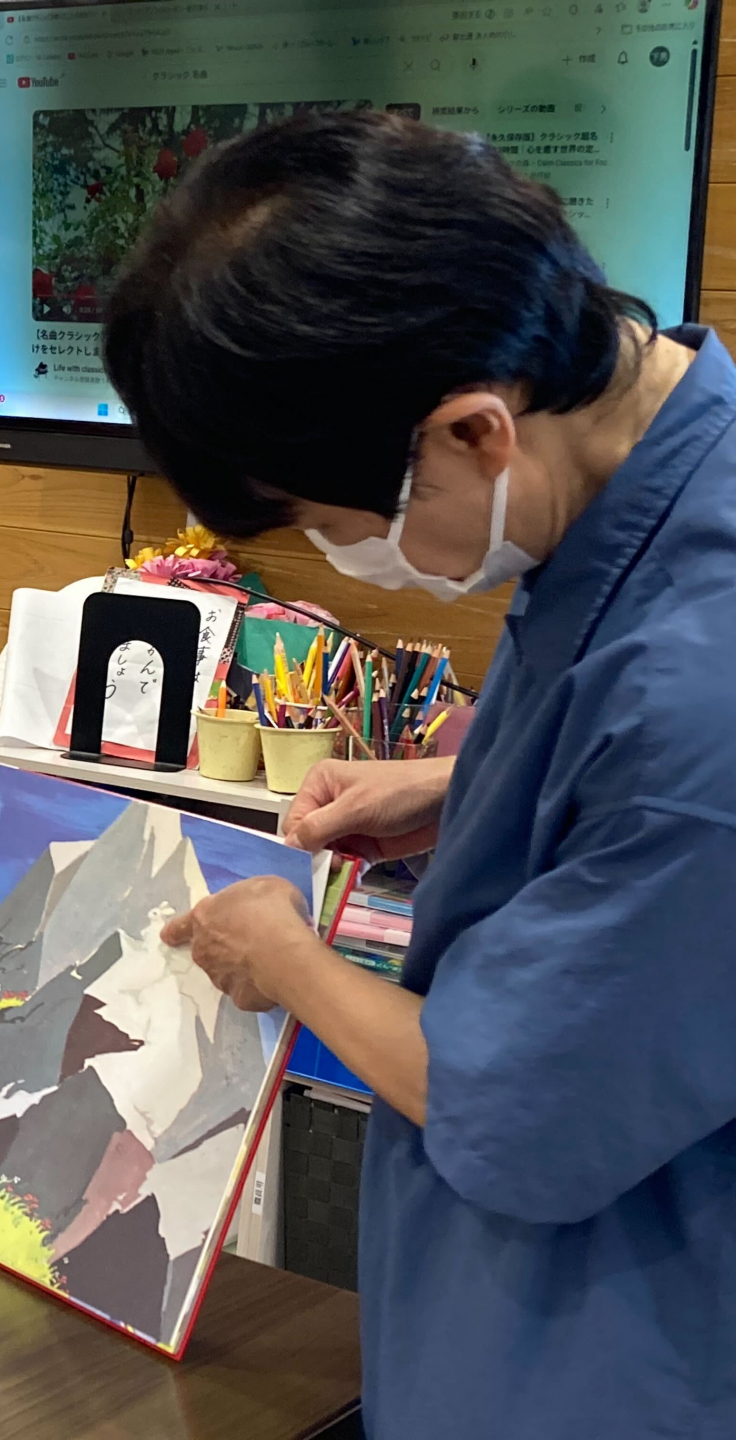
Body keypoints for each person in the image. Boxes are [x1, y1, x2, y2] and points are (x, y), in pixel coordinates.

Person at [105, 112, 736, 1438]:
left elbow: (512, 1108)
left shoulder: (700, 688)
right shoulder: (654, 467)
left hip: (615, 1344)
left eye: (336, 524)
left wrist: (285, 958)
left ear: (473, 433)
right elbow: (641, 802)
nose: (346, 555)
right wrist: (467, 789)